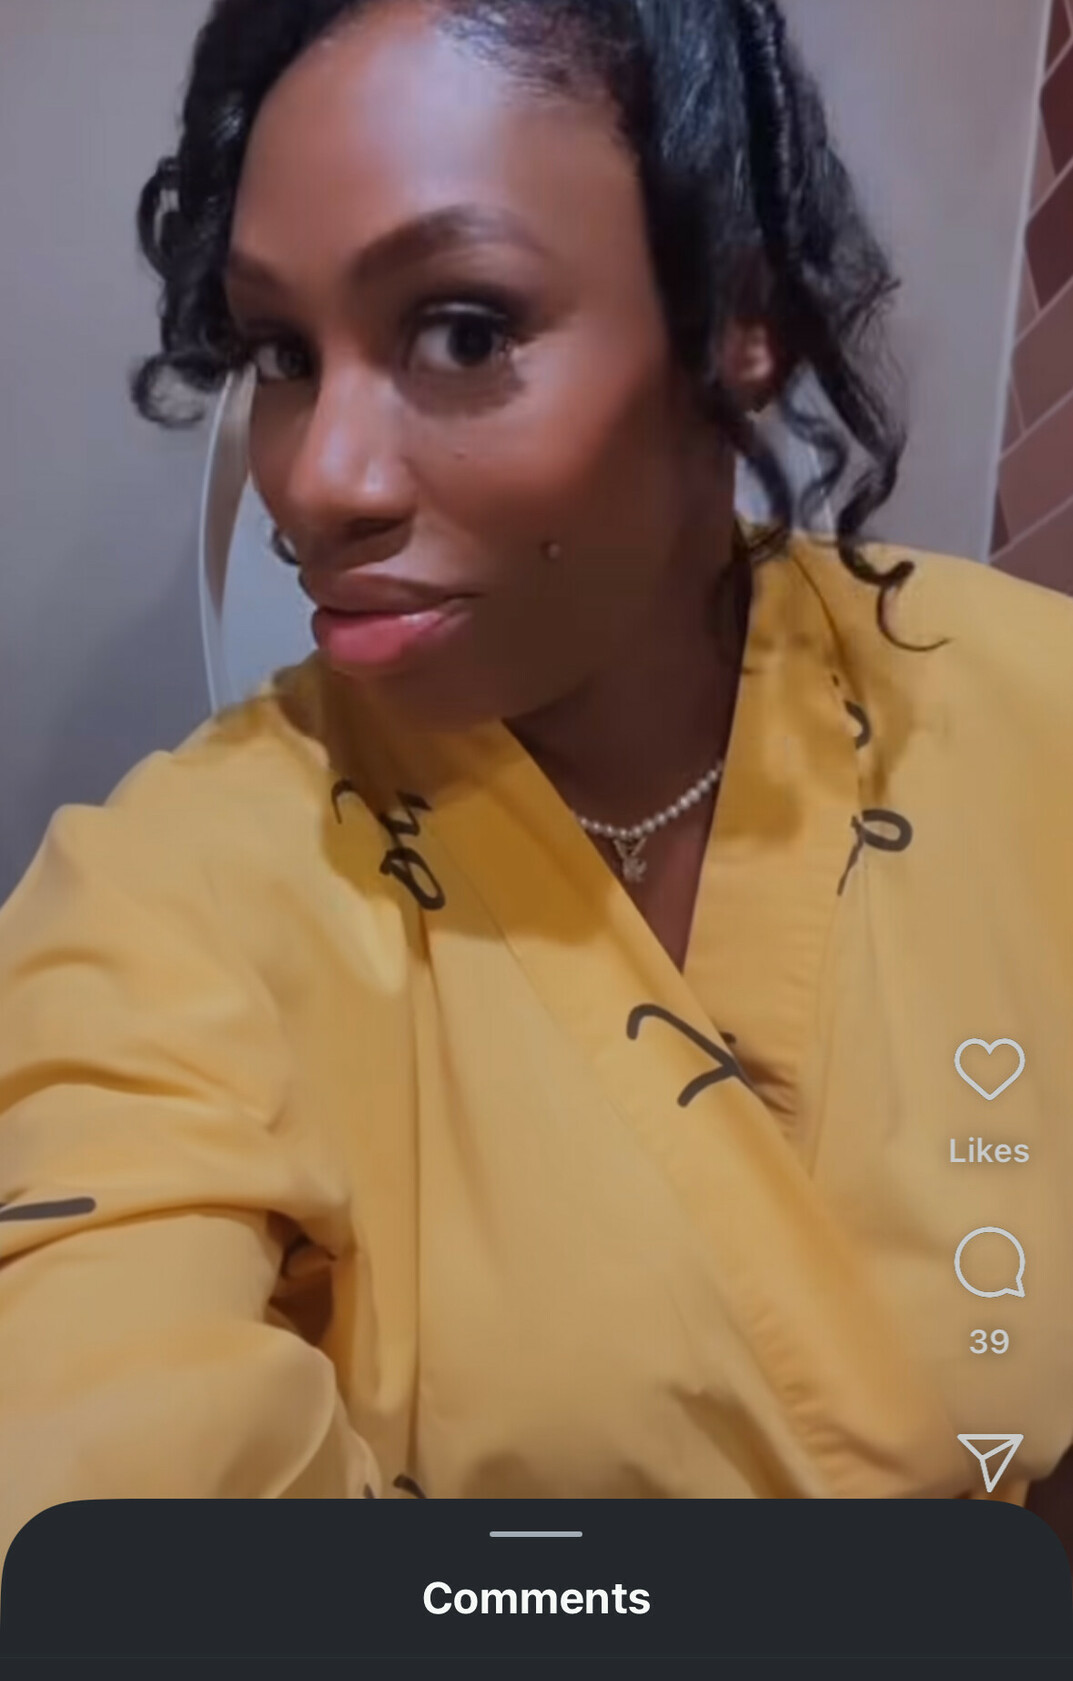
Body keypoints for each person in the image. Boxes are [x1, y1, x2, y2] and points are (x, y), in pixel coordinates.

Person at [0, 0, 1070, 1553]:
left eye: (462, 330)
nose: (315, 480)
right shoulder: (172, 892)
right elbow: (100, 1533)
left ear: (736, 316)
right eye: (281, 353)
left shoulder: (1030, 710)